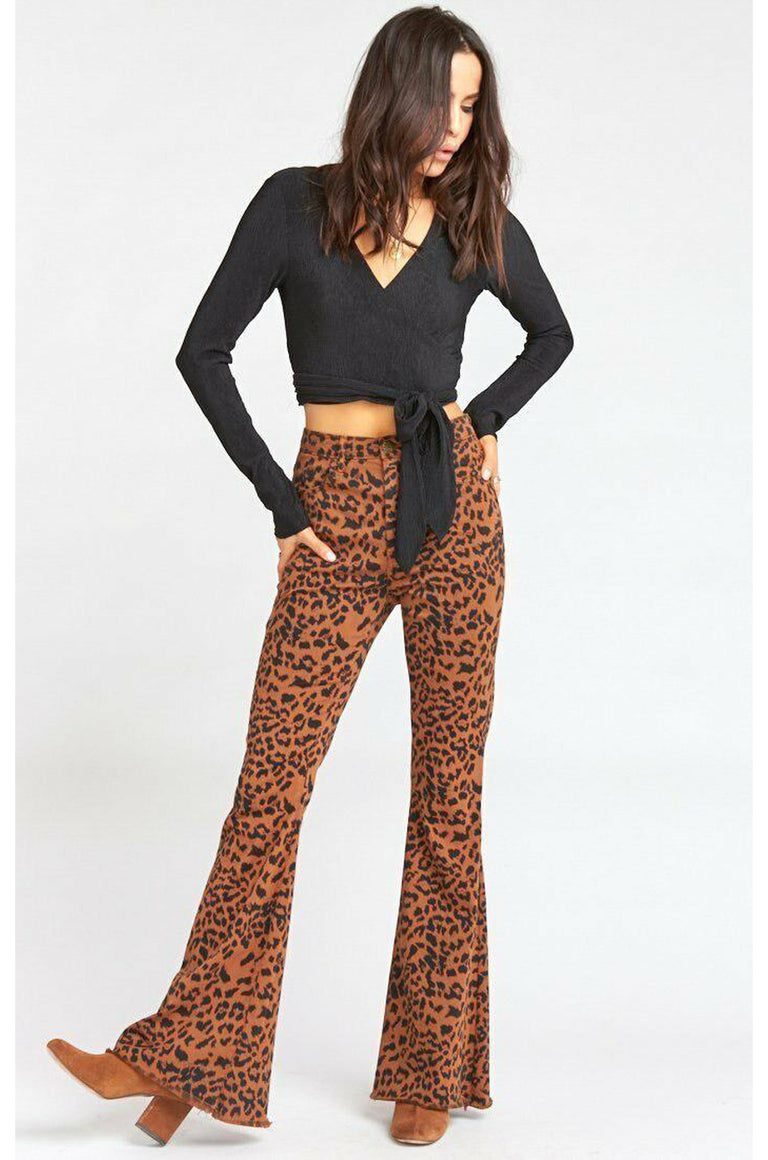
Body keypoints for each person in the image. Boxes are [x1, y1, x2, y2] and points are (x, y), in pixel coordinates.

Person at [46, 5, 573, 1147]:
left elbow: (553, 335)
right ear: (394, 91)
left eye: (474, 106)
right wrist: (282, 505)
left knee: (448, 791)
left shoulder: (476, 220)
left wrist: (482, 422)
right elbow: (202, 352)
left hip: (452, 516)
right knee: (271, 786)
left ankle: (430, 1066)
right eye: (444, 100)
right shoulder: (295, 204)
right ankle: (182, 1055)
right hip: (330, 507)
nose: (457, 126)